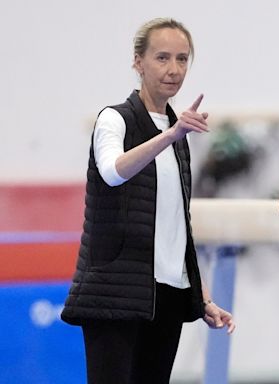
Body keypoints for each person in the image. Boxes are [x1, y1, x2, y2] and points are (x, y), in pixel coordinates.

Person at [61, 18, 235, 383]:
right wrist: (170, 134)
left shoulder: (179, 134)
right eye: (162, 58)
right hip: (116, 291)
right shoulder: (115, 119)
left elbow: (175, 224)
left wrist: (200, 295)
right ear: (138, 62)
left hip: (166, 296)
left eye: (183, 59)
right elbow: (112, 171)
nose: (174, 69)